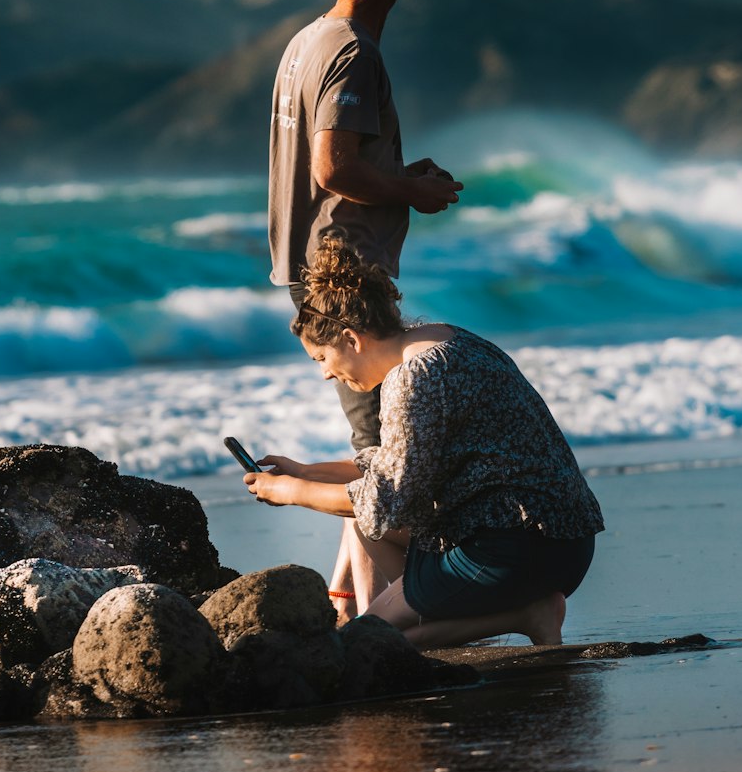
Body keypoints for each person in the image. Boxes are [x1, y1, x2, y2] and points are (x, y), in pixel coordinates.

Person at [246, 237, 604, 649]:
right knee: (366, 524)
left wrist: (292, 492)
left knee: (365, 641)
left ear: (351, 339)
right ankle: (434, 604)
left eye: (321, 359)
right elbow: (394, 468)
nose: (326, 374)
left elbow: (385, 498)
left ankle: (527, 614)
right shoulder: (449, 339)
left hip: (511, 553)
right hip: (569, 543)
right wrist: (306, 472)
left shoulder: (413, 377)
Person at [267, 0, 463, 621]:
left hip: (308, 262)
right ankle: (381, 624)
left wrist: (401, 173)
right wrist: (411, 190)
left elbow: (333, 165)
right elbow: (334, 167)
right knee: (384, 453)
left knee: (376, 443)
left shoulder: (304, 42)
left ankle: (347, 601)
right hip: (343, 273)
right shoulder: (354, 51)